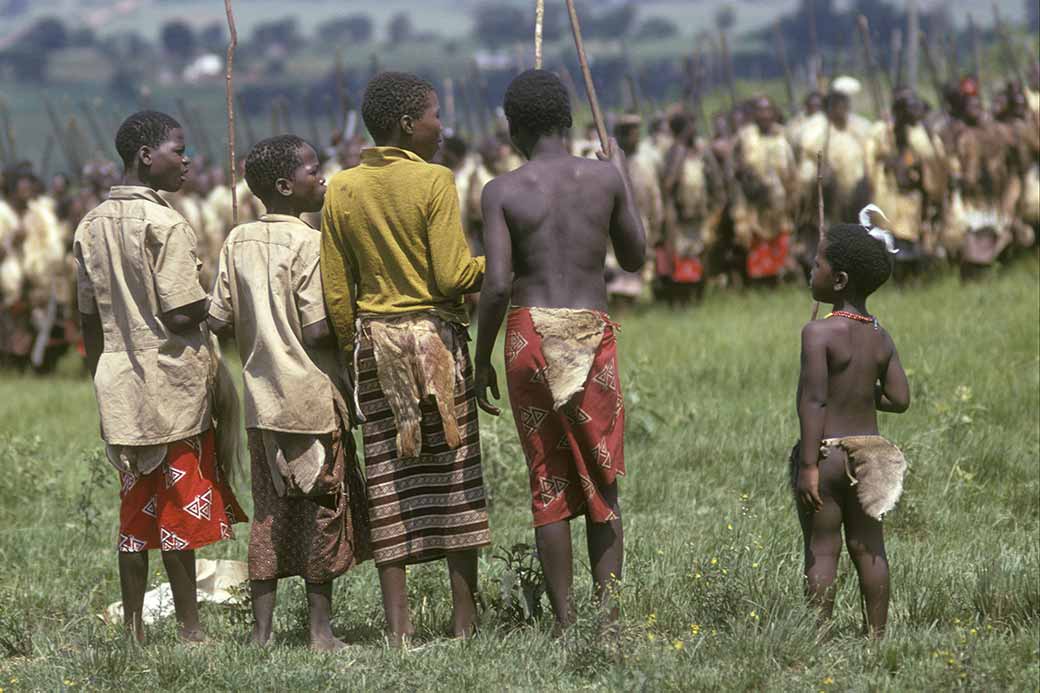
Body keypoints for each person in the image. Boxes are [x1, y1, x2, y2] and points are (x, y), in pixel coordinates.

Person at [320, 72, 491, 646]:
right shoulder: (434, 180)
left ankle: (398, 633)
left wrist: (351, 354)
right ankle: (463, 625)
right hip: (436, 345)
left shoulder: (341, 189)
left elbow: (339, 293)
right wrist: (498, 266)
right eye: (434, 116)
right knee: (455, 476)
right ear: (405, 124)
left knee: (388, 479)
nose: (442, 126)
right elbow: (451, 275)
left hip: (375, 349)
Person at [473, 70, 645, 633]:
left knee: (547, 477)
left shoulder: (501, 190)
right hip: (589, 333)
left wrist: (480, 360)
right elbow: (637, 257)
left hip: (528, 336)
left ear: (514, 127)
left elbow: (497, 284)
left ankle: (567, 622)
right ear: (567, 120)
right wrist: (619, 171)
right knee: (603, 478)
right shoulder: (604, 180)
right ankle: (611, 618)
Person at [73, 110, 246, 643]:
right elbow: (178, 313)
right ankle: (190, 628)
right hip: (173, 383)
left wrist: (108, 369)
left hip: (121, 383)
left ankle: (132, 629)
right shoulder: (165, 223)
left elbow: (88, 316)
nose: (187, 159)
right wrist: (222, 304)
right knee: (177, 509)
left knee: (134, 510)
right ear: (146, 155)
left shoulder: (89, 223)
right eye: (178, 148)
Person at [207, 135, 370, 651]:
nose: (321, 178)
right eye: (312, 170)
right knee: (324, 508)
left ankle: (262, 633)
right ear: (285, 186)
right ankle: (320, 630)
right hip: (311, 397)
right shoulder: (308, 242)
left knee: (271, 514)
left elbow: (217, 318)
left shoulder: (236, 240)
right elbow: (319, 329)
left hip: (262, 403)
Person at [793, 208, 910, 638]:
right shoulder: (880, 336)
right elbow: (900, 399)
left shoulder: (817, 334)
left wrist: (808, 465)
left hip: (826, 456)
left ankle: (819, 638)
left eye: (818, 263)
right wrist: (864, 394)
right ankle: (876, 638)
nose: (811, 268)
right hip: (872, 456)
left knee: (823, 549)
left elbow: (814, 400)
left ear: (839, 281)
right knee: (870, 548)